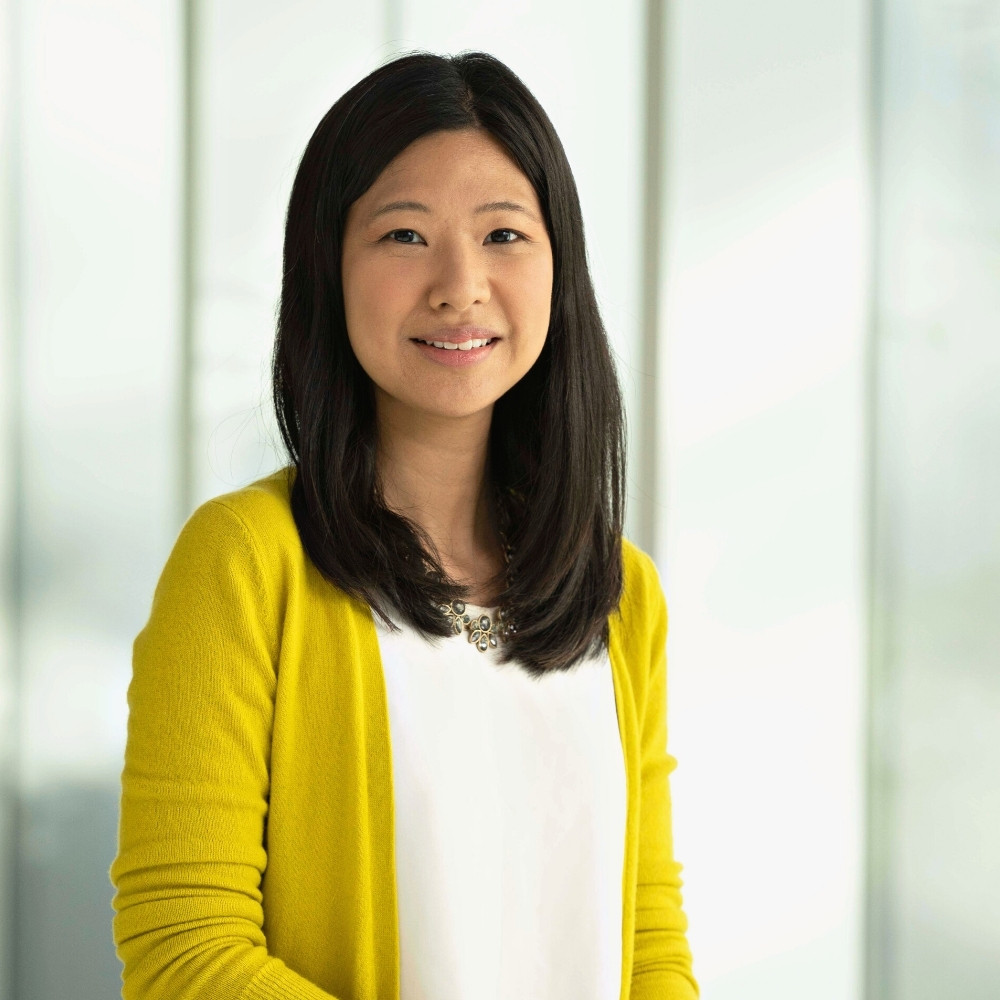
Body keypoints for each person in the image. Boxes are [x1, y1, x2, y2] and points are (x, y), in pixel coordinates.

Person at [110, 49, 698, 1000]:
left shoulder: (621, 594)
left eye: (504, 234)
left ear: (560, 265)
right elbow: (182, 946)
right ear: (328, 268)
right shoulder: (244, 564)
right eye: (405, 237)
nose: (460, 285)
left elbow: (650, 946)